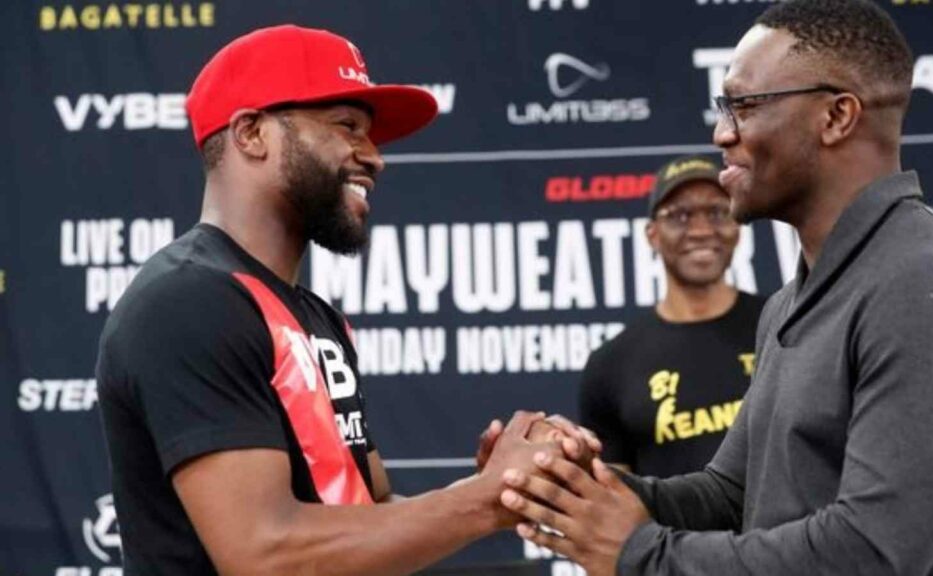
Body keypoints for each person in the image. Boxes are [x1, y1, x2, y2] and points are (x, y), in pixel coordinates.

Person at [497, 1, 933, 575]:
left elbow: (871, 554)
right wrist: (576, 487)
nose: (722, 133)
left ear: (836, 117)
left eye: (743, 106)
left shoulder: (924, 286)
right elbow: (731, 497)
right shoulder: (792, 303)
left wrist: (639, 554)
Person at [95, 25, 591, 576]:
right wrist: (480, 501)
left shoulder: (313, 316)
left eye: (370, 135)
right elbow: (265, 553)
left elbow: (366, 510)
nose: (374, 157)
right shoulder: (188, 302)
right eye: (346, 126)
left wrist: (502, 489)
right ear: (252, 133)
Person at [579, 155, 765, 478]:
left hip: (784, 529)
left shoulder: (782, 325)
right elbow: (612, 503)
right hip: (669, 531)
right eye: (679, 216)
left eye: (718, 212)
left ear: (737, 224)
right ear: (652, 235)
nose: (701, 230)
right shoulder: (610, 365)